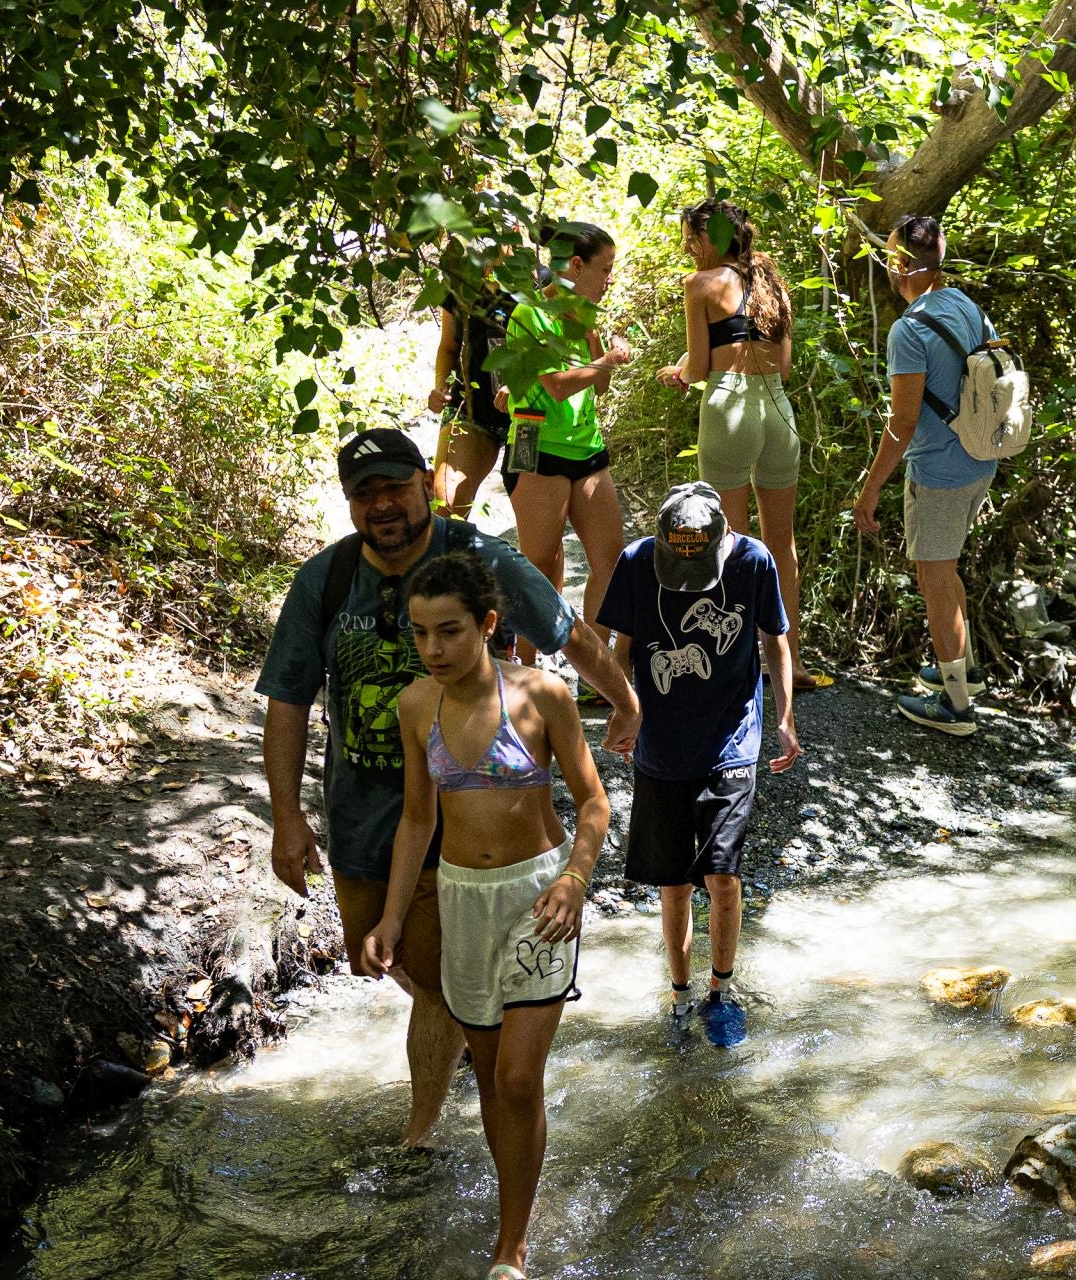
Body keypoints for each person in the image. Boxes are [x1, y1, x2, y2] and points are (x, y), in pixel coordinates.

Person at [256, 427, 636, 1148]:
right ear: (349, 504)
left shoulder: (481, 561)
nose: (382, 505)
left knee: (432, 977)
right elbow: (288, 700)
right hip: (364, 816)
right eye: (365, 494)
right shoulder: (326, 581)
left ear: (426, 485)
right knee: (381, 954)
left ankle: (421, 1133)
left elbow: (565, 632)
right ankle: (473, 1022)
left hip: (461, 816)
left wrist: (625, 699)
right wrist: (287, 816)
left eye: (395, 488)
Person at [365, 552, 608, 1280]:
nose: (433, 649)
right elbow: (416, 820)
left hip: (539, 896)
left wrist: (574, 879)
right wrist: (390, 919)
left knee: (516, 1080)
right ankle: (516, 1208)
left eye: (450, 631)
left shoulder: (543, 695)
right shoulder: (416, 706)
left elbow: (593, 803)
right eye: (421, 633)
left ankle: (511, 1250)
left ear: (488, 624)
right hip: (462, 898)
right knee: (495, 1075)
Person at [595, 482, 799, 1047]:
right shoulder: (637, 561)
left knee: (722, 876)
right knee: (674, 883)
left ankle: (722, 993)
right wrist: (624, 711)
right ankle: (681, 997)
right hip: (660, 745)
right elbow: (621, 650)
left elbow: (774, 640)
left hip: (731, 738)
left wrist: (785, 718)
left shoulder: (753, 560)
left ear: (722, 538)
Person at [655, 199, 831, 692]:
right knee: (781, 543)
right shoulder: (773, 283)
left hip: (729, 409)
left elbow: (699, 368)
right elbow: (785, 367)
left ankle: (738, 663)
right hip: (778, 410)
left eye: (691, 239)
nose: (688, 249)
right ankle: (791, 663)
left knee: (728, 541)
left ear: (709, 238)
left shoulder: (700, 284)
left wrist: (677, 373)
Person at [851, 214, 998, 736]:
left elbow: (904, 421)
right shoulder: (965, 305)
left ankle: (956, 708)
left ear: (898, 264)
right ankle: (965, 671)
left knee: (933, 577)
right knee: (944, 566)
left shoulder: (909, 329)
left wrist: (869, 492)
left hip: (939, 470)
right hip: (981, 458)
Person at [503, 221, 632, 681]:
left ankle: (595, 670)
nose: (610, 279)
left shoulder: (585, 314)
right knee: (540, 564)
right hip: (536, 447)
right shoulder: (530, 314)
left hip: (586, 448)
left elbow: (599, 386)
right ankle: (525, 668)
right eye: (605, 268)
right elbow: (556, 386)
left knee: (611, 562)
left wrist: (600, 348)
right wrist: (608, 359)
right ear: (576, 265)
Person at [428, 279, 517, 519]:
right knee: (446, 505)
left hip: (530, 414)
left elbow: (558, 350)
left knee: (539, 520)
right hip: (471, 409)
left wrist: (521, 383)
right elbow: (448, 347)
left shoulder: (540, 283)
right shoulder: (458, 282)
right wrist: (441, 386)